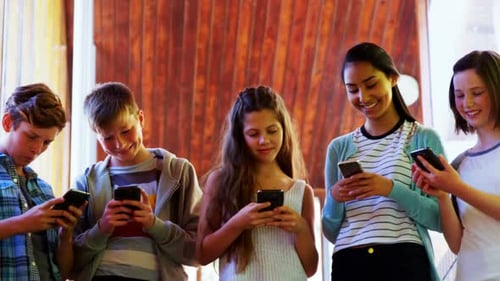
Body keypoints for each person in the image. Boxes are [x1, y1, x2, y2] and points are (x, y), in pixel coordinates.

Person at [321, 42, 445, 281]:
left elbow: (438, 218)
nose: (363, 97)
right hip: (349, 262)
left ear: (393, 78)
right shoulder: (339, 148)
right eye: (352, 89)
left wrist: (389, 188)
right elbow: (331, 231)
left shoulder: (423, 138)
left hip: (403, 260)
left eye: (371, 84)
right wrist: (335, 198)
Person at [72, 82, 202, 281]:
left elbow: (198, 251)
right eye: (107, 138)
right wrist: (103, 228)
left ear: (140, 118)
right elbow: (69, 258)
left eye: (125, 131)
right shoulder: (86, 182)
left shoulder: (178, 172)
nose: (120, 144)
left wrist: (154, 225)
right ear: (97, 137)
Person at [196, 86, 318, 280]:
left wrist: (300, 228)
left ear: (284, 130)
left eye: (272, 131)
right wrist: (238, 223)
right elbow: (203, 254)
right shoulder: (221, 181)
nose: (264, 140)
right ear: (240, 137)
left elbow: (310, 268)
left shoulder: (302, 192)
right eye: (253, 134)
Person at [412, 50, 500, 281]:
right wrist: (442, 196)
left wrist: (457, 187)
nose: (467, 103)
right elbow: (457, 244)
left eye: (477, 93)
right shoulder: (461, 164)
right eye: (459, 95)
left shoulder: (457, 177)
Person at [0, 83, 82, 280]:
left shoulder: (44, 190)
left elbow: (63, 272)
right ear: (8, 122)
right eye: (31, 137)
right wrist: (22, 223)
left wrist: (65, 234)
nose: (37, 149)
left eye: (47, 142)